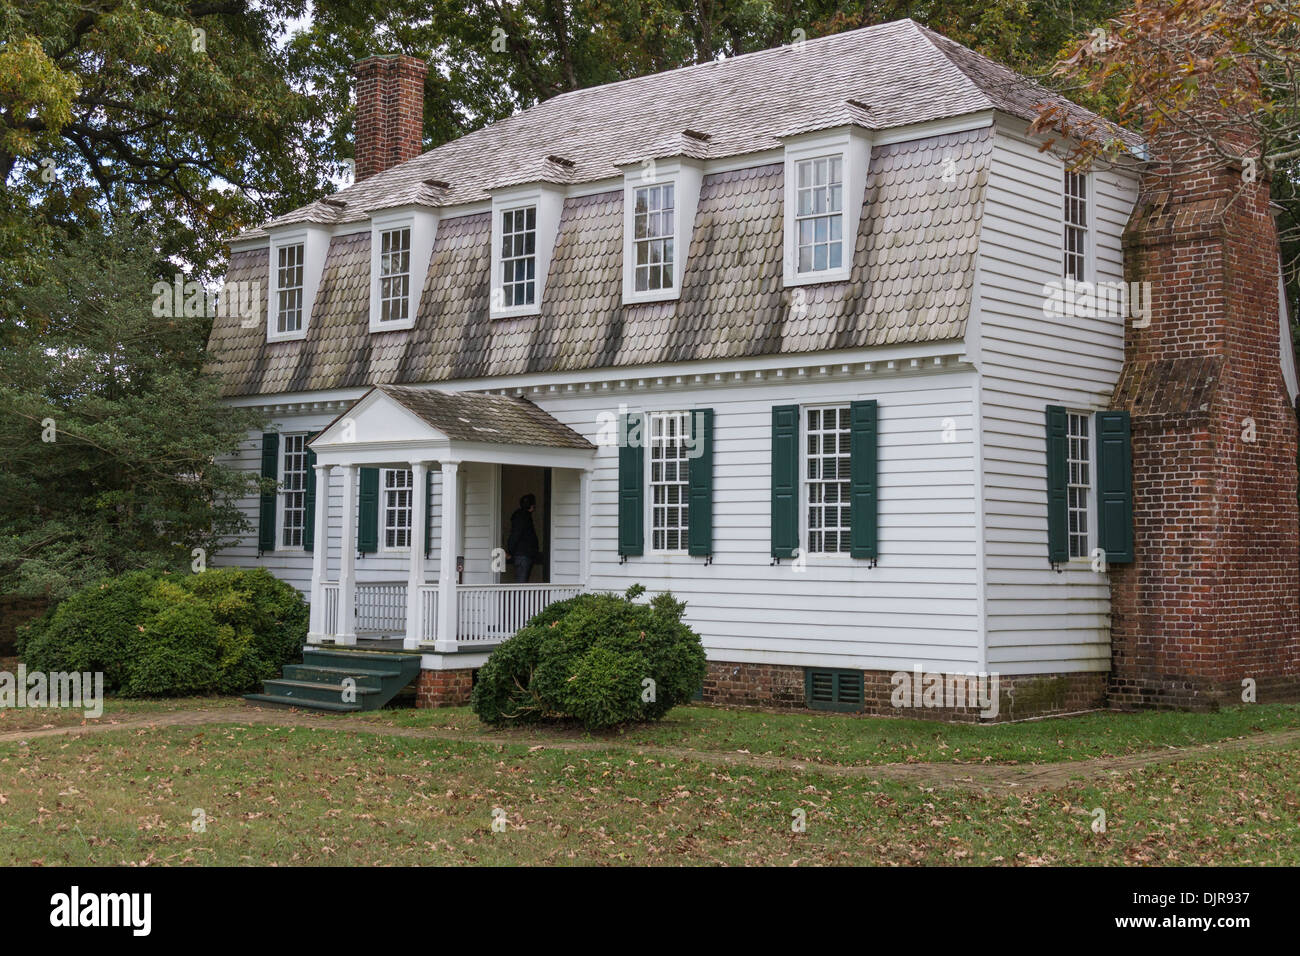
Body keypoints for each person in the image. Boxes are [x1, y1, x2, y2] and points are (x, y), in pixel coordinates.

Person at [506, 493, 541, 583]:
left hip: (524, 555)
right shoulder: (523, 517)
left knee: (522, 582)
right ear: (531, 506)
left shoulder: (522, 516)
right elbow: (515, 535)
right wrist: (509, 551)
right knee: (521, 584)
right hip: (523, 556)